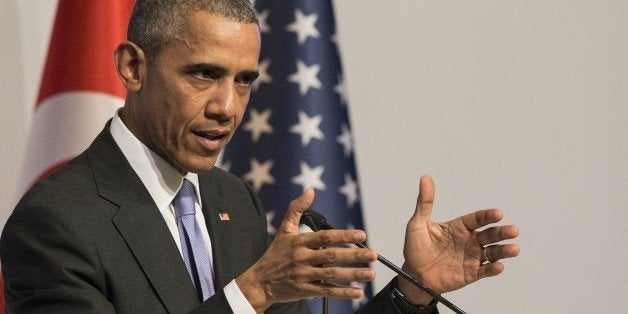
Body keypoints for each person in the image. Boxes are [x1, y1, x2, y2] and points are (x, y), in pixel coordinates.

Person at [0, 0, 520, 313]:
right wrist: (250, 294)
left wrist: (413, 291)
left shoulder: (232, 200)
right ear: (133, 67)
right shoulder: (56, 222)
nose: (228, 107)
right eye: (203, 74)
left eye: (244, 81)